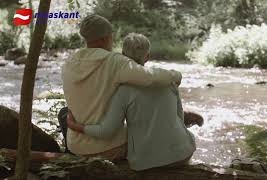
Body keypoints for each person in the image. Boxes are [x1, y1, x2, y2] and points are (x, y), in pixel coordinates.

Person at [67, 33, 196, 171]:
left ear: (122, 54)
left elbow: (107, 130)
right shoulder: (167, 80)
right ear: (147, 57)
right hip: (183, 153)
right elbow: (179, 118)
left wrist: (77, 127)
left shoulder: (123, 91)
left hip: (148, 162)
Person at [62, 15, 182, 159]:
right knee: (145, 128)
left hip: (75, 145)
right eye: (111, 36)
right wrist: (176, 76)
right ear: (104, 38)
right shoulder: (114, 62)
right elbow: (150, 77)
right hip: (108, 147)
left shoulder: (69, 62)